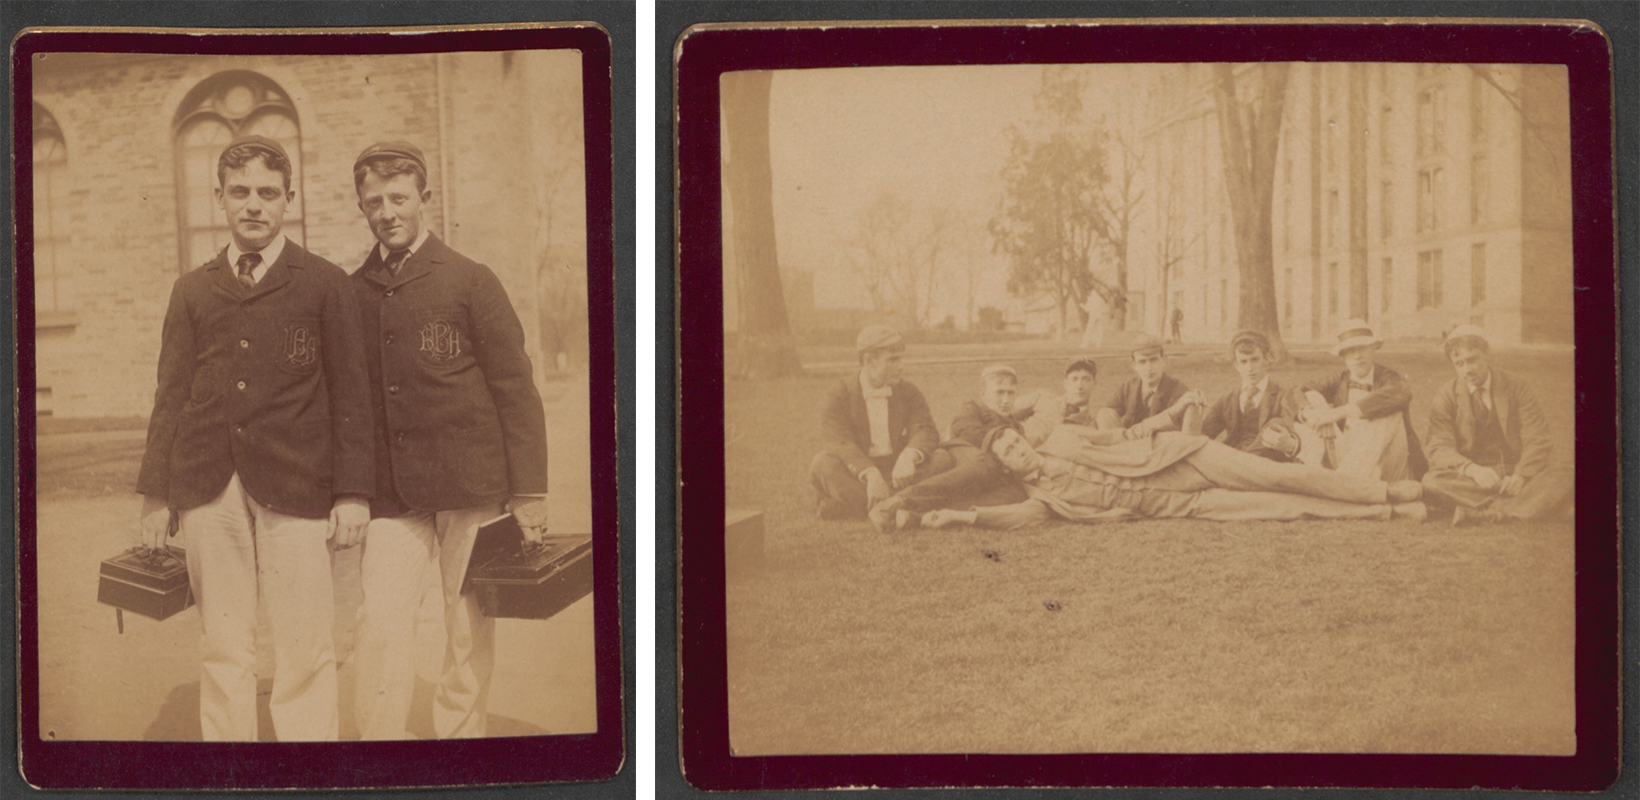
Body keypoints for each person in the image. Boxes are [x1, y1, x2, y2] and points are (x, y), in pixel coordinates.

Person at [135, 135, 373, 741]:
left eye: (268, 193)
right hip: (208, 489)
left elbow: (351, 396)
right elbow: (171, 396)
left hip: (297, 485)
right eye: (239, 192)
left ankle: (310, 768)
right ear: (218, 198)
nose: (254, 205)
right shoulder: (191, 289)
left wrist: (352, 491)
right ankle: (229, 769)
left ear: (289, 199)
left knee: (303, 641)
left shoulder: (324, 283)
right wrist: (156, 495)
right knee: (222, 641)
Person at [347, 141, 550, 740]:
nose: (387, 211)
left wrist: (530, 492)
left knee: (466, 624)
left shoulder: (471, 280)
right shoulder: (352, 291)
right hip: (393, 493)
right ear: (362, 207)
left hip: (472, 483)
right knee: (380, 619)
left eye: (399, 198)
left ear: (424, 199)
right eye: (374, 201)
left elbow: (516, 390)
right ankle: (379, 754)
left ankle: (461, 741)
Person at [921, 426, 1426, 530]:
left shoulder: (1062, 437)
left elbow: (1114, 432)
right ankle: (1388, 510)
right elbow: (1016, 517)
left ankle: (1382, 488)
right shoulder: (1042, 497)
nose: (1017, 448)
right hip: (1182, 506)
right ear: (1007, 466)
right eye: (1008, 451)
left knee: (1276, 476)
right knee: (1285, 508)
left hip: (1185, 458)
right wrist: (965, 516)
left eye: (1015, 439)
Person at [1420, 325, 1573, 526]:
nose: (1467, 369)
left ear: (1487, 355)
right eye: (1459, 363)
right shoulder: (1446, 395)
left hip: (1517, 471)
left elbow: (1538, 438)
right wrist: (1472, 470)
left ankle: (1487, 513)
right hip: (1476, 480)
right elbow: (1439, 447)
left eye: (1472, 360)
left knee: (1567, 471)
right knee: (1431, 481)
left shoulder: (1517, 386)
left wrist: (1521, 475)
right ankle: (1533, 506)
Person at [866, 364, 1031, 531]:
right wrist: (998, 443)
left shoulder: (1016, 427)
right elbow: (965, 428)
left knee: (1015, 493)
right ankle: (896, 502)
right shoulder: (972, 408)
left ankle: (920, 517)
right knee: (986, 463)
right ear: (983, 393)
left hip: (984, 473)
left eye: (1011, 393)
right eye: (999, 392)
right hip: (959, 454)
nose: (1005, 400)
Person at [810, 325, 942, 519]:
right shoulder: (838, 395)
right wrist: (871, 474)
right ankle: (905, 503)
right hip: (859, 476)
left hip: (899, 471)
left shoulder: (908, 391)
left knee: (942, 458)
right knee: (822, 464)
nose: (902, 366)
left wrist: (909, 456)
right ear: (868, 361)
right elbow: (840, 443)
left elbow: (925, 428)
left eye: (902, 358)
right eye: (893, 359)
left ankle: (850, 508)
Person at [1290, 319, 1427, 481]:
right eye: (1350, 350)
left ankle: (1344, 484)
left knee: (1389, 412)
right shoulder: (1340, 379)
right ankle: (1326, 474)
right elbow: (1296, 391)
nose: (1357, 356)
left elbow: (1400, 392)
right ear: (1343, 355)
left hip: (1390, 464)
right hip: (1347, 459)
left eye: (1362, 348)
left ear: (1373, 349)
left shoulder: (1388, 377)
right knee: (1312, 397)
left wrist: (1335, 414)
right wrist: (1312, 414)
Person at [1200, 330, 1302, 462]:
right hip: (1232, 461)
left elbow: (1291, 432)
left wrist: (1290, 443)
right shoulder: (1227, 399)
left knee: (1275, 424)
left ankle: (1242, 464)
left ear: (1266, 360)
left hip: (1266, 465)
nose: (1250, 368)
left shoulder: (1282, 396)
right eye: (1243, 362)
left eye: (1255, 360)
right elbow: (1204, 433)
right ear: (1236, 365)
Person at [1094, 335, 1203, 438]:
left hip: (1160, 449)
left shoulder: (1178, 390)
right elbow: (1106, 416)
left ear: (1163, 360)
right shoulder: (1128, 387)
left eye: (1153, 360)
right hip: (1129, 447)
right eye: (1142, 362)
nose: (1149, 368)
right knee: (1105, 414)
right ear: (1134, 365)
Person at [1019, 356, 1100, 446]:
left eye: (1086, 380)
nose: (1080, 386)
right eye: (1074, 379)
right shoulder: (1042, 398)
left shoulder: (1092, 426)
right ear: (1066, 384)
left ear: (1094, 384)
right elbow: (1005, 413)